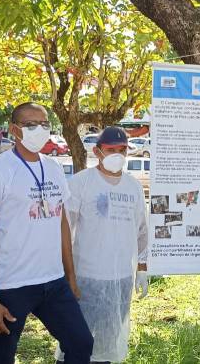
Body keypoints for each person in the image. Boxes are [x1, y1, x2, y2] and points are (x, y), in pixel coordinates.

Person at [0, 102, 93, 364]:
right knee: (1, 356)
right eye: (30, 125)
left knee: (81, 343)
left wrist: (70, 277)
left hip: (53, 281)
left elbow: (61, 221)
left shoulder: (53, 167)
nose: (39, 129)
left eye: (44, 124)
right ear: (14, 130)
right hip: (11, 285)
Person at [55, 127, 149, 364]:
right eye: (110, 150)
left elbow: (142, 232)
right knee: (76, 342)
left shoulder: (134, 187)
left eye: (122, 150)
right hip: (86, 277)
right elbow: (64, 230)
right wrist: (68, 276)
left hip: (120, 279)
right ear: (97, 151)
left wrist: (142, 268)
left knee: (108, 343)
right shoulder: (81, 183)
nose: (117, 154)